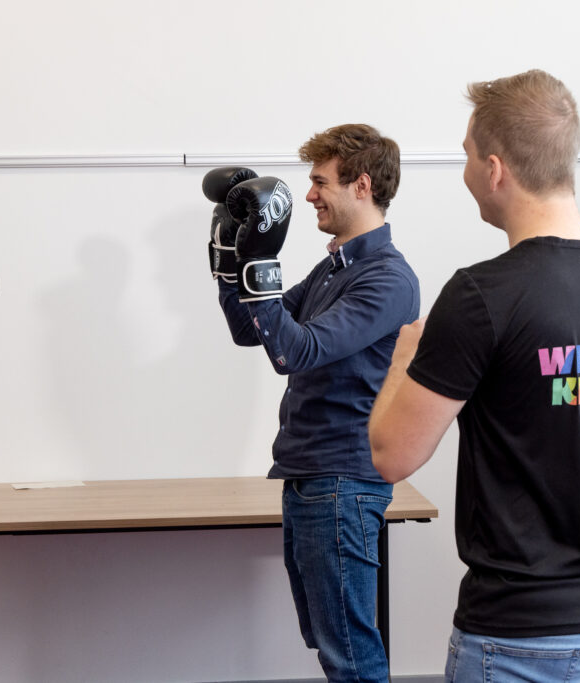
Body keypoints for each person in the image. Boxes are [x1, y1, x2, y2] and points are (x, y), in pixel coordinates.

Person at [368, 70, 580, 682]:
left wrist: (406, 351)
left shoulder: (481, 295)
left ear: (494, 168)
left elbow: (391, 456)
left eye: (464, 156)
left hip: (517, 641)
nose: (463, 173)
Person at [205, 123, 420, 682]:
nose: (308, 195)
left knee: (349, 651)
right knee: (333, 645)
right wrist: (232, 257)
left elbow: (295, 353)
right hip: (311, 476)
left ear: (362, 185)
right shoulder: (334, 269)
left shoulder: (388, 278)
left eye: (321, 182)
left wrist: (260, 261)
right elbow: (251, 330)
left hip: (343, 479)